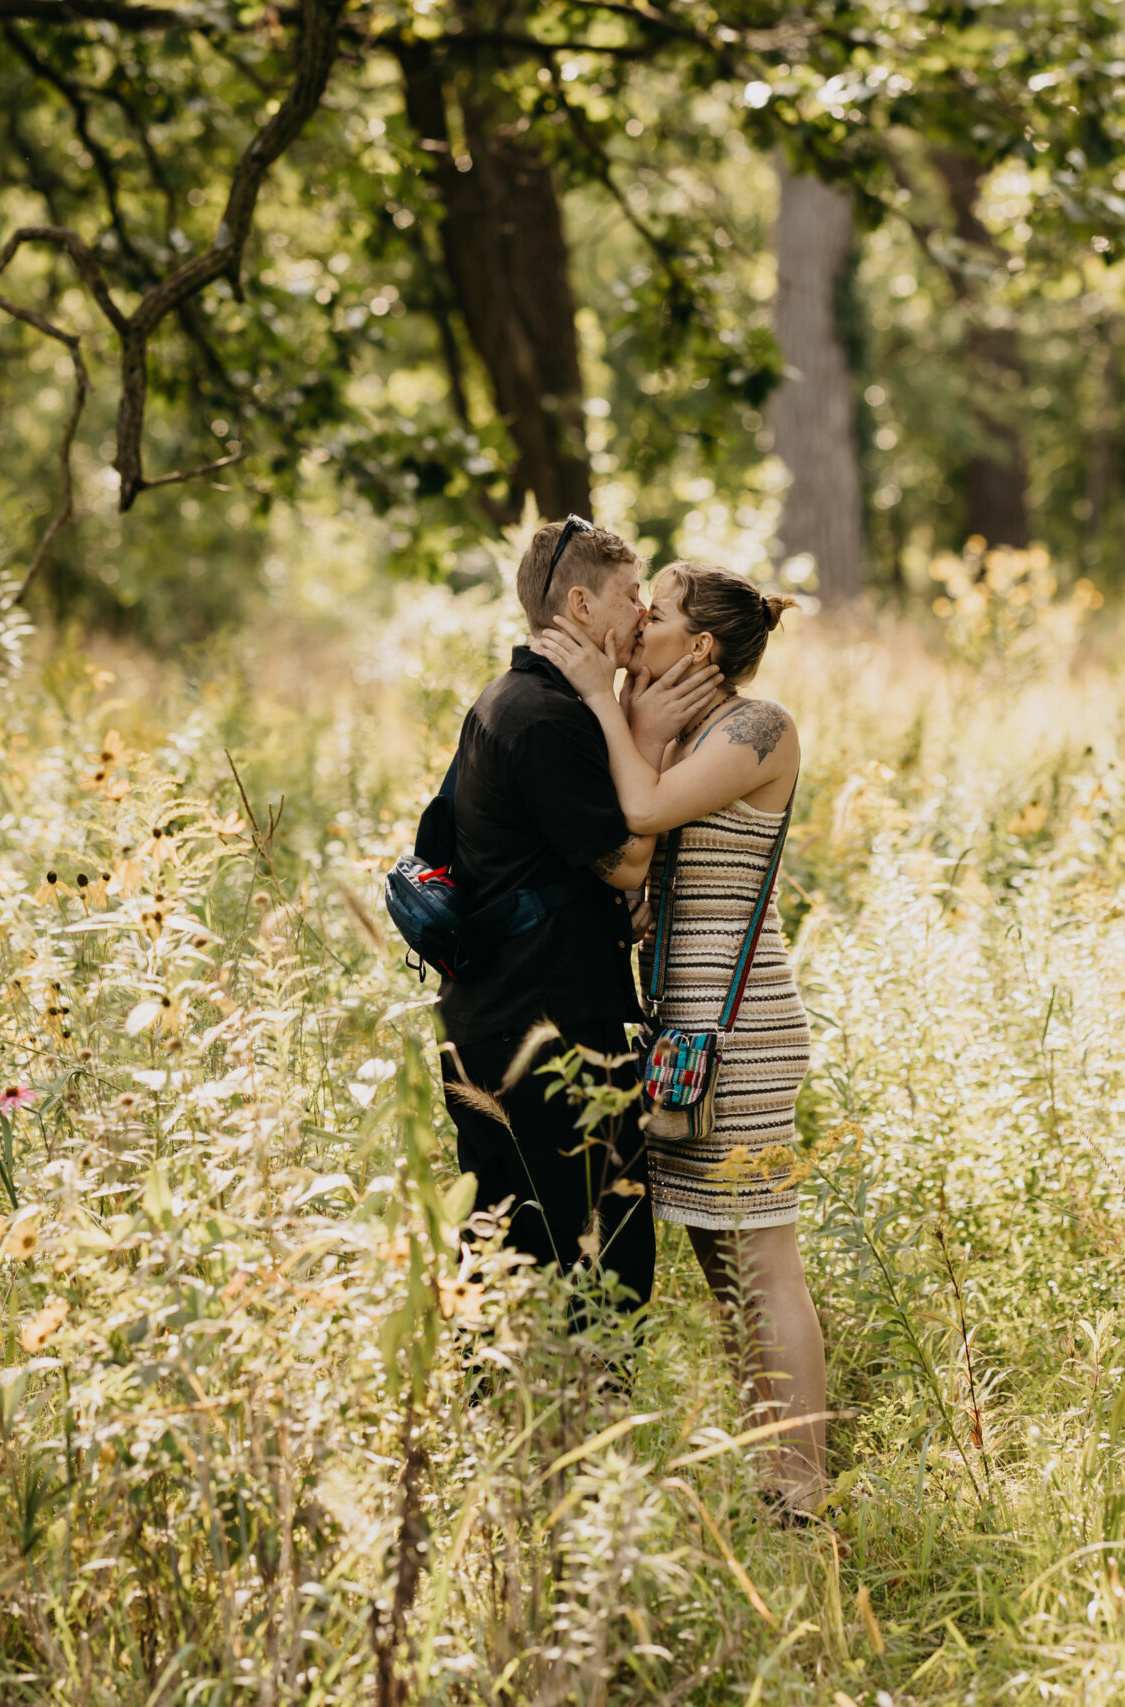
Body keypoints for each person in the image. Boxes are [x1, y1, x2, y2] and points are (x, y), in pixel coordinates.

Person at [533, 560, 825, 1512]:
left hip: (738, 1032)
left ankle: (800, 1486)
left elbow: (645, 813)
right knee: (719, 1259)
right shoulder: (680, 730)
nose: (637, 621)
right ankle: (769, 1474)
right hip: (681, 1037)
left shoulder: (756, 726)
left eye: (654, 614)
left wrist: (602, 702)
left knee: (762, 1255)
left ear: (701, 646)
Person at [434, 516, 722, 1321]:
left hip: (500, 1015)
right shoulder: (549, 718)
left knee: (505, 1249)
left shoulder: (514, 696)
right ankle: (578, 1431)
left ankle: (512, 1430)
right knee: (602, 1256)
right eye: (633, 595)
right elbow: (626, 860)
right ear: (584, 605)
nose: (641, 611)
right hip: (549, 1033)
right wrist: (643, 731)